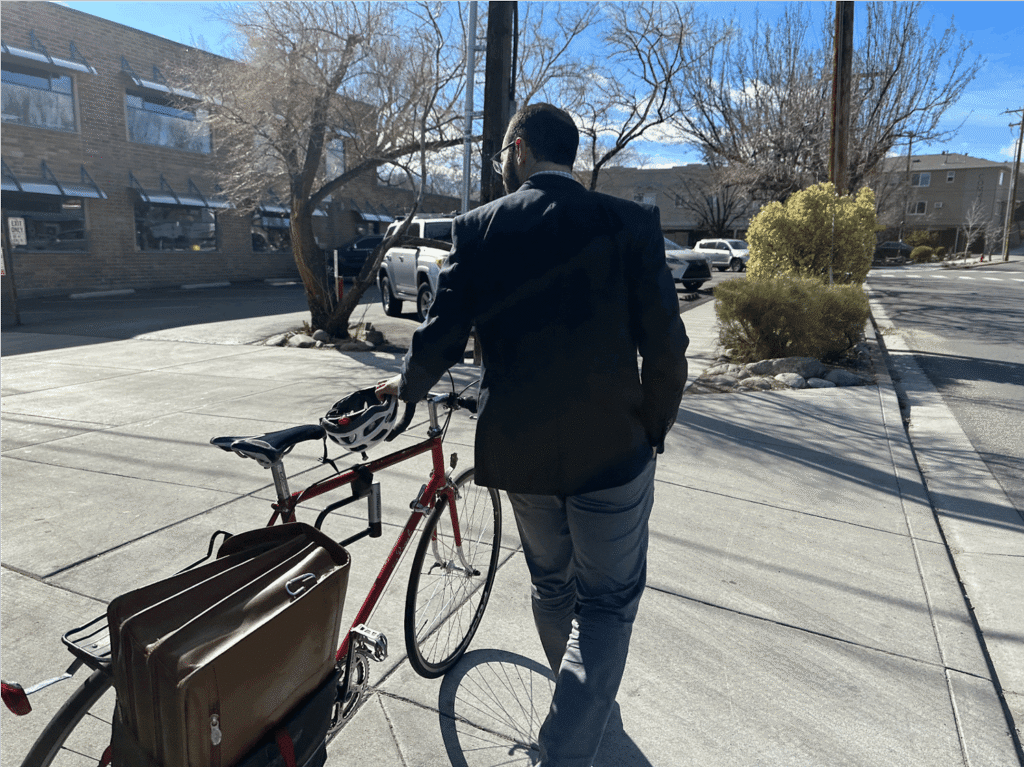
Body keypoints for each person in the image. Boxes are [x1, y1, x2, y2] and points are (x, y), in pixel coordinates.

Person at [377, 102, 688, 766]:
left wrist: (406, 389)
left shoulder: (479, 227)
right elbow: (667, 347)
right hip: (613, 452)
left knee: (552, 586)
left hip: (521, 454)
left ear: (519, 148)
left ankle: (577, 703)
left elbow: (441, 334)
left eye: (501, 153)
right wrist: (652, 429)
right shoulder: (630, 222)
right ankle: (570, 732)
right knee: (606, 606)